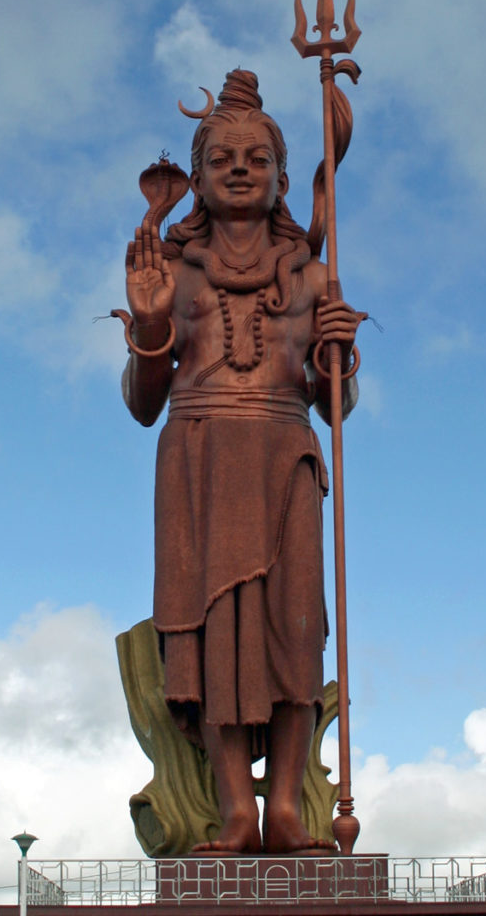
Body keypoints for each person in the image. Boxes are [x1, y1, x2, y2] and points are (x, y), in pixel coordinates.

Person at [121, 70, 360, 854]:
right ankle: (235, 811)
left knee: (294, 630)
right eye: (221, 158)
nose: (237, 170)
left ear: (283, 180)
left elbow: (335, 407)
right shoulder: (175, 273)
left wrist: (340, 354)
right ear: (195, 177)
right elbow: (141, 401)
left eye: (255, 159)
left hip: (283, 450)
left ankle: (287, 807)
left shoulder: (313, 275)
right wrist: (151, 329)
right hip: (195, 456)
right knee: (209, 637)